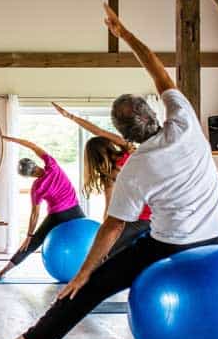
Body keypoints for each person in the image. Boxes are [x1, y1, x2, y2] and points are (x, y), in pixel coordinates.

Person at [3, 5, 218, 339]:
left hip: (170, 244)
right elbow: (157, 68)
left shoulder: (135, 167)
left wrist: (82, 274)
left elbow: (111, 227)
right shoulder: (185, 121)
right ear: (153, 113)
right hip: (216, 236)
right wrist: (123, 34)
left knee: (92, 286)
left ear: (121, 134)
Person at [51, 102, 151, 257]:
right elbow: (98, 131)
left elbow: (109, 210)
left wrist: (105, 234)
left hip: (139, 218)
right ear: (108, 145)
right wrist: (70, 116)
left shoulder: (109, 176)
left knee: (108, 253)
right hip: (157, 211)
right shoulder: (128, 150)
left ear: (93, 159)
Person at [0, 137, 85, 280]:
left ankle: (4, 271)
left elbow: (34, 214)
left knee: (33, 243)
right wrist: (9, 139)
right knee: (88, 239)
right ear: (35, 164)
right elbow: (32, 145)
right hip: (75, 211)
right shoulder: (53, 165)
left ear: (28, 176)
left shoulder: (37, 188)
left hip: (57, 216)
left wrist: (29, 236)